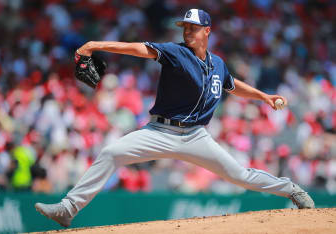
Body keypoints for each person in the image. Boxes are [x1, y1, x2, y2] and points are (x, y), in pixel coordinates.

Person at [35, 9, 314, 228]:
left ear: (207, 31)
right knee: (110, 152)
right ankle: (68, 209)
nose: (188, 31)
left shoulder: (217, 64)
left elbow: (231, 85)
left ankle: (292, 190)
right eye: (186, 27)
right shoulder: (174, 52)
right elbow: (137, 49)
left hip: (196, 137)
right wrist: (96, 44)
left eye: (194, 27)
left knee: (239, 175)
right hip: (160, 131)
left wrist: (263, 96)